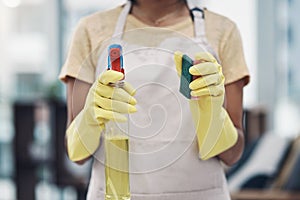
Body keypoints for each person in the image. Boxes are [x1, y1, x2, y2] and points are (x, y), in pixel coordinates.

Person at [59, 0, 250, 199]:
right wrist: (89, 118)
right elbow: (76, 155)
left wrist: (214, 114)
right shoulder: (92, 30)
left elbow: (232, 155)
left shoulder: (222, 31)